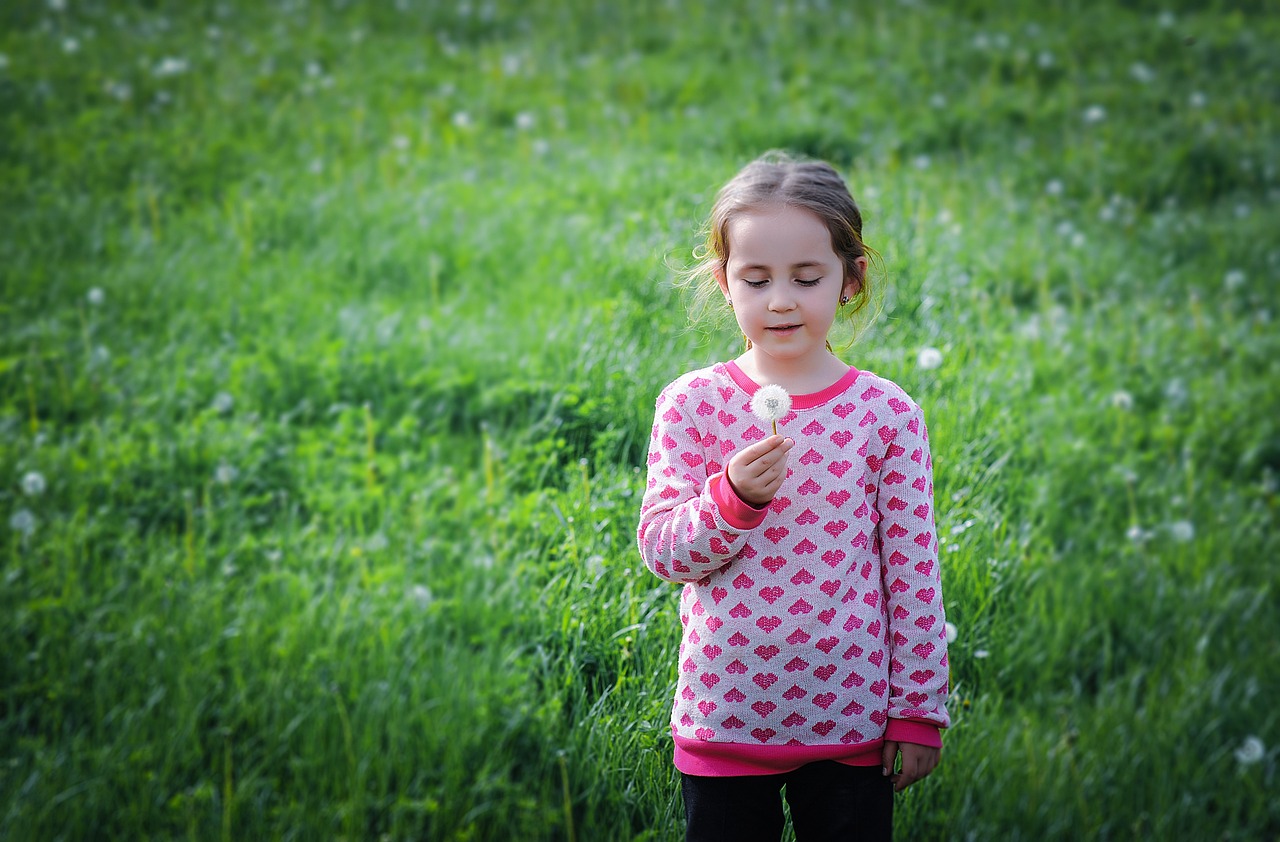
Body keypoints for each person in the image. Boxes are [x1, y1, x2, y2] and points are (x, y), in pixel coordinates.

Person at [636, 152, 949, 841]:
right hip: (726, 716)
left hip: (852, 722)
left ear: (849, 279)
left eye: (806, 278)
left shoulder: (885, 415)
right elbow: (663, 552)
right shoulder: (694, 403)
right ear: (724, 283)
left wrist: (919, 712)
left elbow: (914, 572)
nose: (781, 299)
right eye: (756, 278)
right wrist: (732, 501)